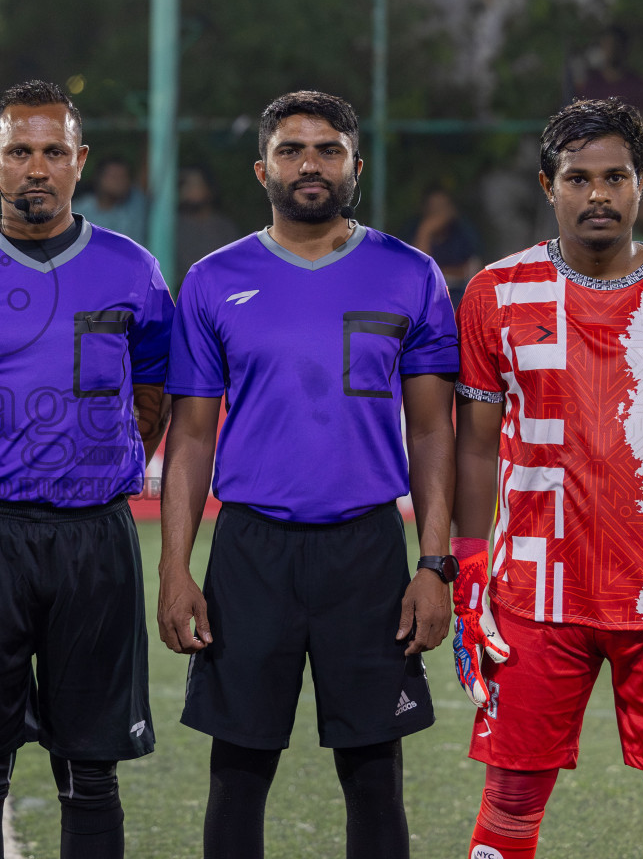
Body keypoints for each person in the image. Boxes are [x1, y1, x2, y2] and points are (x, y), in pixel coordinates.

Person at [157, 90, 458, 859]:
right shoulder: (214, 279)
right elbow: (191, 437)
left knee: (372, 771)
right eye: (292, 150)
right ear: (263, 168)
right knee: (240, 767)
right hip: (251, 550)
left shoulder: (411, 274)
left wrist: (433, 564)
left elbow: (432, 431)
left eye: (328, 149)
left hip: (366, 551)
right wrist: (174, 570)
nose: (311, 164)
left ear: (356, 164)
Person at [452, 99, 643, 859]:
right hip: (535, 594)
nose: (598, 194)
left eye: (616, 176)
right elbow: (474, 449)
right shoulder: (495, 294)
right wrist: (466, 571)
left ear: (641, 184)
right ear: (549, 184)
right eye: (579, 178)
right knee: (510, 801)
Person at [0, 80, 174, 859]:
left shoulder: (136, 272)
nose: (37, 167)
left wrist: (104, 468)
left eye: (54, 151)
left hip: (97, 538)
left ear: (80, 161)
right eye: (20, 151)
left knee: (93, 773)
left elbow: (153, 399)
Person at [173, 164, 241, 281]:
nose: (187, 191)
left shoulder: (224, 228)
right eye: (184, 185)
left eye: (194, 185)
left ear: (209, 189)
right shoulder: (174, 226)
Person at [73, 155, 148, 242]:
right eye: (114, 177)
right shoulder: (80, 210)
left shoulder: (136, 204)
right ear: (99, 178)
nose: (119, 182)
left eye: (123, 177)